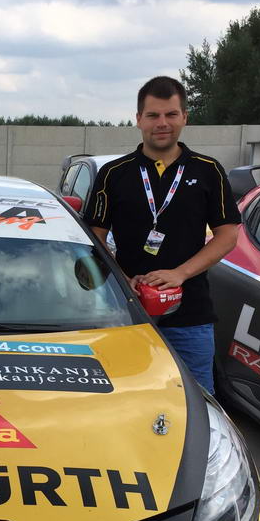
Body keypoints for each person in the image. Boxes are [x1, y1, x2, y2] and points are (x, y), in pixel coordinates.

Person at [84, 76, 240, 393]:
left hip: (190, 315)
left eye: (171, 114)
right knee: (127, 396)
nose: (162, 123)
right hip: (127, 312)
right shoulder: (113, 174)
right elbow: (94, 237)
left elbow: (228, 236)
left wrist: (179, 274)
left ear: (184, 117)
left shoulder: (208, 170)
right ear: (139, 119)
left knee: (197, 399)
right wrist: (122, 280)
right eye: (153, 115)